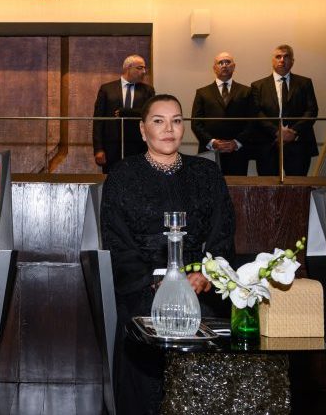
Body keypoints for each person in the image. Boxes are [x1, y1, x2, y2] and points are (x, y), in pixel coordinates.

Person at [101, 94, 236, 414]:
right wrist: (155, 281)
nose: (169, 129)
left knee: (215, 327)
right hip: (142, 287)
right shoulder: (122, 175)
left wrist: (206, 273)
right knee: (148, 331)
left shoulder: (207, 173)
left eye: (176, 121)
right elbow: (117, 242)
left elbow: (223, 233)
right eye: (158, 121)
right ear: (142, 129)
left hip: (199, 285)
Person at [250, 44, 319, 176]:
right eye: (278, 57)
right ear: (272, 61)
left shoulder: (305, 83)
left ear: (292, 61)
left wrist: (294, 132)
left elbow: (312, 110)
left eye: (286, 57)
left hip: (298, 144)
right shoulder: (258, 86)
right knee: (268, 185)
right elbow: (257, 113)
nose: (282, 60)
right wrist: (277, 132)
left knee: (297, 185)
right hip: (268, 143)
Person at [191, 52, 257, 176]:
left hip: (237, 152)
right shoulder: (202, 92)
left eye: (228, 62)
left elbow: (252, 122)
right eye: (220, 63)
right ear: (214, 68)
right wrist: (213, 142)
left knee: (237, 187)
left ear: (234, 66)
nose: (224, 65)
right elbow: (196, 123)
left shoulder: (246, 91)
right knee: (209, 185)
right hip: (210, 151)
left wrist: (236, 143)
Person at [93, 54, 156, 174]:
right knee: (113, 181)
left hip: (139, 147)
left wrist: (128, 112)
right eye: (140, 68)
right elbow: (98, 121)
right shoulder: (107, 89)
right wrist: (98, 149)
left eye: (144, 68)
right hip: (112, 148)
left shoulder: (148, 90)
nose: (144, 71)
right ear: (128, 68)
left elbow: (151, 114)